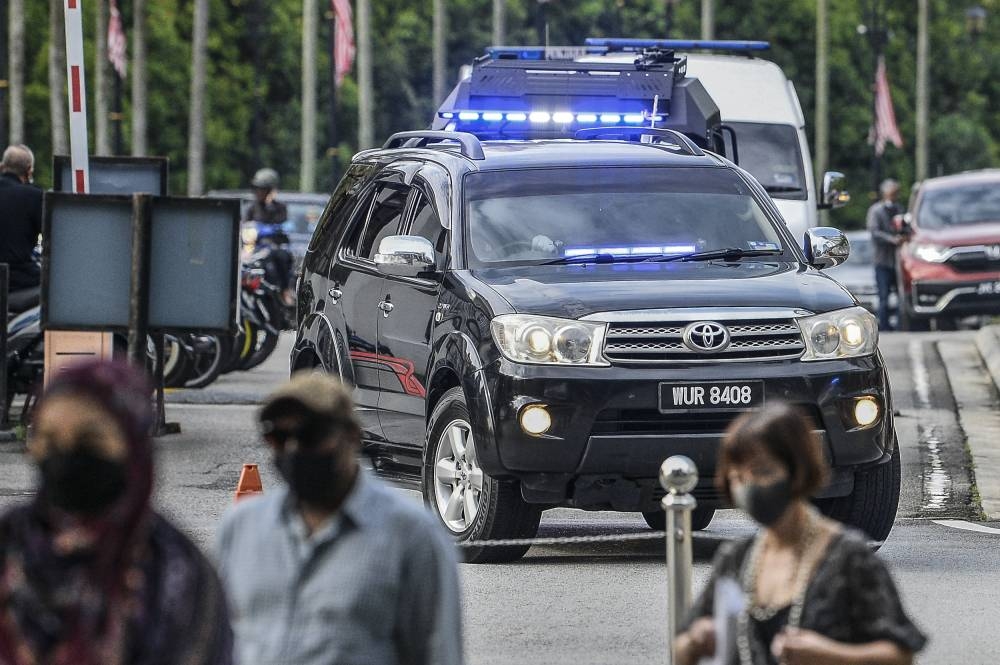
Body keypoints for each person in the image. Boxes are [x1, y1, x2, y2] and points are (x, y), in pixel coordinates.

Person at [215, 372, 463, 665]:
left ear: (351, 436)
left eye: (311, 436)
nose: (294, 449)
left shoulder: (411, 534)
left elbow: (438, 653)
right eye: (279, 437)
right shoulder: (242, 527)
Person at [0, 360, 233, 665]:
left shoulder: (176, 575)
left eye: (90, 440)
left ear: (133, 444)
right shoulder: (10, 543)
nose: (66, 455)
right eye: (49, 440)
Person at [674, 403, 926, 665]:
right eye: (737, 477)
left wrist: (831, 655)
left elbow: (900, 655)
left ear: (797, 470)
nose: (748, 486)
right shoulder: (736, 560)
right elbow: (683, 648)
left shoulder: (849, 559)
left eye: (762, 471)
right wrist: (694, 641)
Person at [0, 145, 43, 292]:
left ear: (1, 167)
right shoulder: (35, 196)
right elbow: (52, 238)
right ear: (29, 170)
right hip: (19, 281)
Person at [867, 178, 904, 331]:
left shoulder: (899, 209)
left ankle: (901, 324)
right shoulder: (876, 211)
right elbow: (874, 232)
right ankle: (884, 326)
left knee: (901, 295)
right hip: (882, 261)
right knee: (883, 296)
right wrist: (892, 239)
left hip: (898, 261)